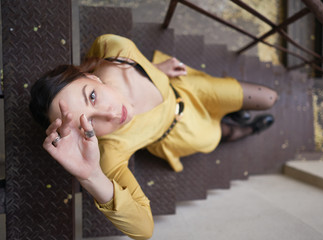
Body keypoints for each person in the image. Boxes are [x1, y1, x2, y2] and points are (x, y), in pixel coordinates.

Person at [29, 34, 277, 239]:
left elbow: (97, 49)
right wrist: (91, 176)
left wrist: (153, 69)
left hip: (187, 90)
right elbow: (143, 229)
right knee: (216, 135)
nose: (111, 114)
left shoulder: (118, 51)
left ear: (91, 77)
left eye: (92, 96)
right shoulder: (110, 150)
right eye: (89, 122)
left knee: (268, 98)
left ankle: (231, 112)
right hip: (180, 133)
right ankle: (244, 129)